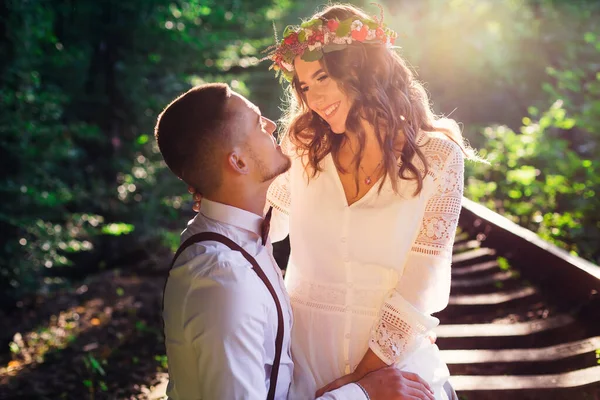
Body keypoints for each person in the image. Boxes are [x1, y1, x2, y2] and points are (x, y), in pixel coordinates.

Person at [156, 83, 436, 399]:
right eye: (257, 123)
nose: (272, 126)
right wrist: (363, 393)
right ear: (238, 162)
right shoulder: (224, 279)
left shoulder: (239, 238)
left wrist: (398, 332)